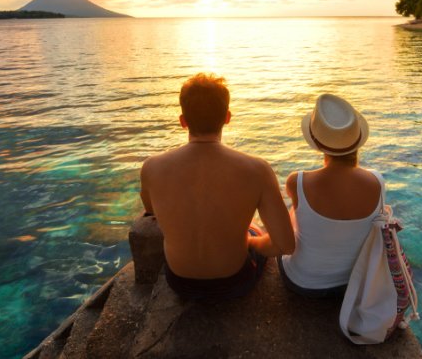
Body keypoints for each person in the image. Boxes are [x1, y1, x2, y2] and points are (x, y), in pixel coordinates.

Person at [140, 73, 295, 299]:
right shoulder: (257, 169)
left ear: (183, 121)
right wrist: (250, 240)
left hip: (179, 283)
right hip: (234, 283)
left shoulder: (152, 167)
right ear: (227, 117)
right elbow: (285, 245)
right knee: (253, 226)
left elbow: (151, 211)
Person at [277, 93, 383, 298]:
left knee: (295, 212)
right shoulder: (377, 182)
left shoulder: (297, 182)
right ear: (357, 138)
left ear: (317, 142)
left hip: (302, 282)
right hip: (352, 283)